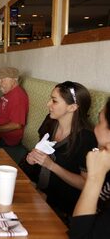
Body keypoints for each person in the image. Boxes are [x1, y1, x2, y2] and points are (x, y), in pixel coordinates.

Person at [25, 81, 97, 221]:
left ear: (72, 107)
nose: (48, 104)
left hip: (61, 205)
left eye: (54, 101)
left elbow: (86, 184)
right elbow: (38, 153)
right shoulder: (51, 122)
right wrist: (31, 158)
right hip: (35, 188)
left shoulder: (86, 138)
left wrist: (51, 165)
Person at [70, 98, 110, 239]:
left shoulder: (84, 138)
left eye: (100, 121)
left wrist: (94, 178)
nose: (95, 128)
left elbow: (79, 235)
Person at [0, 67, 29, 146]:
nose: (0, 82)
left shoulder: (18, 96)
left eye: (3, 79)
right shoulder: (9, 92)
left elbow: (16, 125)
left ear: (14, 80)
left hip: (5, 139)